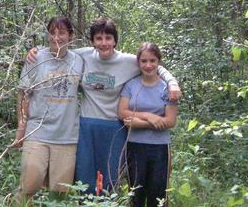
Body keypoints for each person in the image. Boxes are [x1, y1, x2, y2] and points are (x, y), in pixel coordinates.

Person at [28, 17, 181, 194]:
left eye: (108, 38)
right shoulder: (82, 56)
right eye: (99, 39)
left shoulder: (128, 62)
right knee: (85, 174)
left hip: (114, 127)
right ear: (92, 41)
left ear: (115, 40)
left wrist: (172, 82)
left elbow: (154, 64)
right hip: (87, 126)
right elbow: (57, 50)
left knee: (110, 174)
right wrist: (36, 51)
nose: (104, 43)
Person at [13, 16, 84, 197]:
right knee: (29, 186)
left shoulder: (79, 60)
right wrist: (21, 127)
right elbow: (23, 94)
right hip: (37, 132)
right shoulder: (36, 58)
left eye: (61, 33)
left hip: (67, 136)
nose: (56, 38)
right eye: (52, 33)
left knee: (60, 193)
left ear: (70, 35)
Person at [118, 42, 177, 207]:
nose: (148, 65)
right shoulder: (131, 85)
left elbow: (170, 121)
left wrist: (137, 122)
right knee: (136, 192)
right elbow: (122, 112)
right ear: (138, 62)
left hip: (160, 148)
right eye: (144, 61)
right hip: (135, 146)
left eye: (152, 60)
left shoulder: (167, 88)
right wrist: (150, 117)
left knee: (157, 192)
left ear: (158, 62)